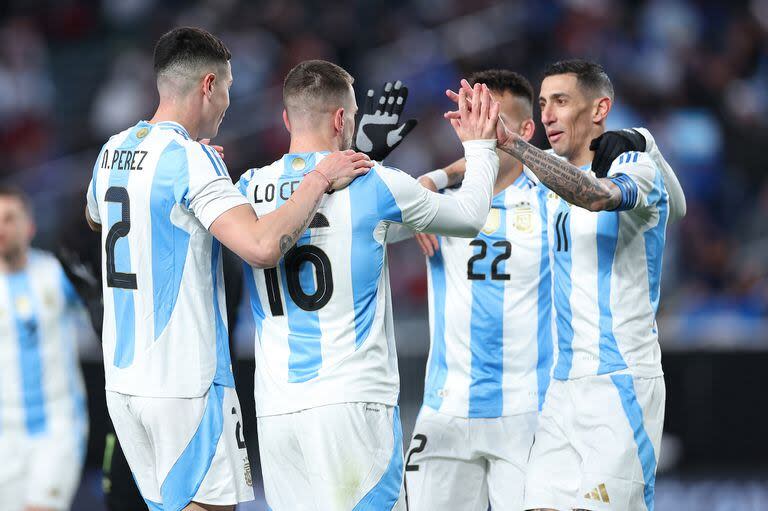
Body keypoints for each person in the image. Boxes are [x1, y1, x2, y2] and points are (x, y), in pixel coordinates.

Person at [85, 28, 373, 511]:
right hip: (185, 383)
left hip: (123, 383)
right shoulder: (190, 160)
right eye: (228, 90)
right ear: (208, 85)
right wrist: (319, 178)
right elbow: (262, 246)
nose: (227, 103)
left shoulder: (112, 150)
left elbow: (96, 217)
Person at [235, 59, 501, 510]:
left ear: (286, 118)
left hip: (277, 411)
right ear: (342, 119)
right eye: (353, 115)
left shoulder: (247, 186)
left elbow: (327, 220)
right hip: (351, 405)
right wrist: (480, 148)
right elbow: (469, 215)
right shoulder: (377, 185)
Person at [446, 59, 685, 511]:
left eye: (561, 101)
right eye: (542, 103)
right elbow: (491, 162)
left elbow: (595, 195)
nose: (549, 113)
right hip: (562, 388)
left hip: (620, 382)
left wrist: (649, 147)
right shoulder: (546, 167)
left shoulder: (635, 168)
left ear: (600, 109)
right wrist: (438, 179)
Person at [383, 69, 549, 510]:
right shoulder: (440, 203)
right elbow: (368, 222)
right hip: (445, 410)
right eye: (472, 116)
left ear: (526, 130)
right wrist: (434, 179)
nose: (480, 129)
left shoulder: (552, 202)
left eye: (492, 119)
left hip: (528, 412)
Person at [0, 186, 88, 511]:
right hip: (4, 437)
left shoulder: (55, 273)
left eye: (10, 219)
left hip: (58, 427)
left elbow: (103, 314)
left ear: (30, 226)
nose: (2, 229)